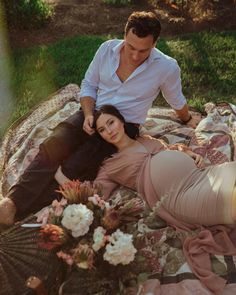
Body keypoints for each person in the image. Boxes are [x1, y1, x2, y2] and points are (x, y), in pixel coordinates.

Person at [0, 11, 201, 226]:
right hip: (93, 112)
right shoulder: (106, 50)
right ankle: (11, 203)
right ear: (125, 35)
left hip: (124, 125)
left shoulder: (166, 67)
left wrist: (187, 118)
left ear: (155, 44)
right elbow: (88, 85)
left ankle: (21, 213)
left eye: (143, 51)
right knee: (55, 142)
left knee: (77, 164)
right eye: (131, 47)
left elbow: (175, 99)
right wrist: (87, 114)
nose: (134, 55)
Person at [55, 104, 236, 227]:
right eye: (102, 129)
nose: (109, 131)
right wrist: (59, 175)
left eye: (111, 122)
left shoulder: (146, 139)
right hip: (180, 197)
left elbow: (169, 149)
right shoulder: (110, 164)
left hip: (201, 176)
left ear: (121, 121)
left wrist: (189, 153)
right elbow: (94, 193)